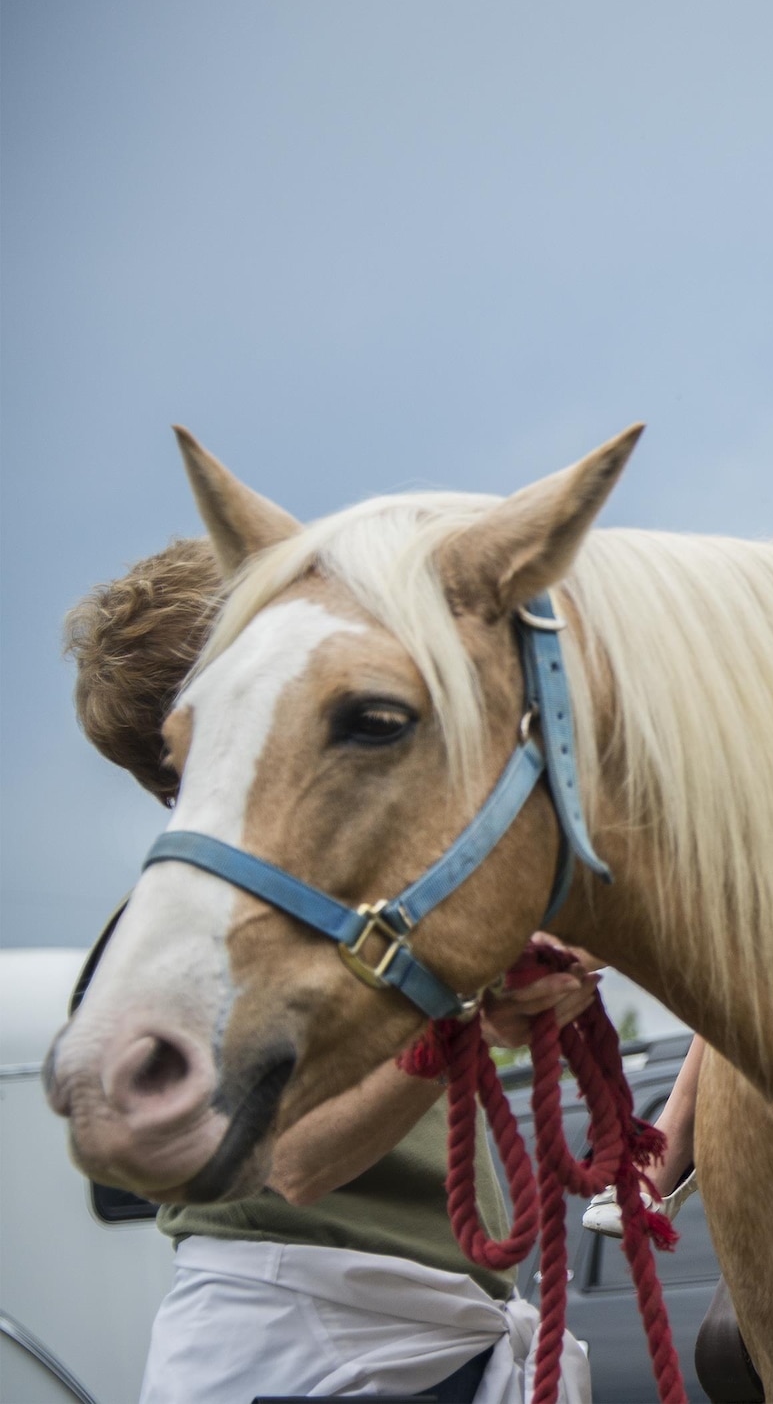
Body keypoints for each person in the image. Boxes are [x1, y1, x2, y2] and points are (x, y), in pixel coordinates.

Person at [64, 537, 598, 1404]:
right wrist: (462, 1013)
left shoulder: (358, 912)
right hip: (312, 1353)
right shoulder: (185, 950)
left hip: (403, 1341)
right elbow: (298, 1164)